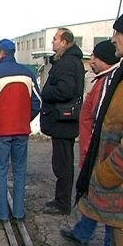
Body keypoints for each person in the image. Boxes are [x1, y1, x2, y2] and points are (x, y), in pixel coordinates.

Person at [60, 40, 120, 246]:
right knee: (93, 194)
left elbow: (102, 120)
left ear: (107, 60)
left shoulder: (110, 82)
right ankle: (82, 233)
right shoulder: (103, 80)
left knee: (109, 200)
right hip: (95, 151)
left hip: (101, 154)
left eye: (96, 57)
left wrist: (93, 152)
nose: (91, 61)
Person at [76, 10, 123, 246]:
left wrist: (104, 174)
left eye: (117, 32)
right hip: (118, 203)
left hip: (121, 197)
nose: (113, 38)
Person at [0, 39, 41, 229]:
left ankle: (3, 214)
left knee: (1, 171)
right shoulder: (28, 74)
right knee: (20, 171)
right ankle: (19, 212)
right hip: (21, 131)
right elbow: (37, 102)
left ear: (2, 53)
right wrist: (24, 119)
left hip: (2, 132)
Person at [41, 28, 85, 215]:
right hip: (63, 121)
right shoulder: (71, 61)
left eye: (55, 39)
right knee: (63, 162)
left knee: (62, 164)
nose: (53, 42)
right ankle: (61, 199)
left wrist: (46, 92)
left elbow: (65, 90)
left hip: (63, 121)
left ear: (65, 42)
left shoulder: (67, 63)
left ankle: (62, 203)